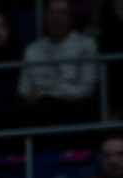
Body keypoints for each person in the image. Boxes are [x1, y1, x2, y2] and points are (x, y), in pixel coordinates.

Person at [19, 0, 100, 128]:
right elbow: (25, 91)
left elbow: (87, 90)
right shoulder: (32, 50)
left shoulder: (86, 45)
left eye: (61, 12)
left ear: (71, 17)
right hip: (40, 111)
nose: (56, 17)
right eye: (52, 12)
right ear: (45, 16)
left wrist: (50, 93)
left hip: (75, 108)